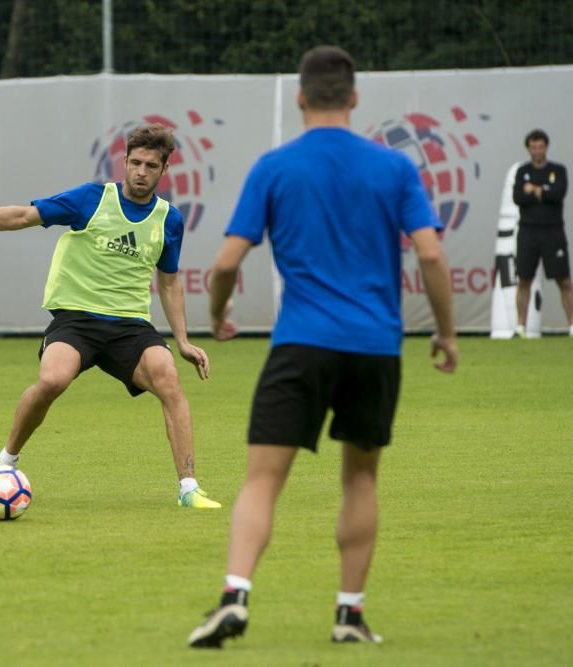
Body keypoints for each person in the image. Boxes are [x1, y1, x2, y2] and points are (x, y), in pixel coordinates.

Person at [187, 46, 458, 648]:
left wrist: (217, 314)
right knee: (360, 480)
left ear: (301, 97)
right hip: (374, 347)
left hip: (301, 344)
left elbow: (226, 262)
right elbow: (433, 254)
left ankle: (235, 595)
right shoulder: (394, 169)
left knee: (262, 480)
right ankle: (349, 614)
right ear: (355, 97)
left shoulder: (275, 166)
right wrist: (445, 331)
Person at [0, 124, 220, 508]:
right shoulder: (91, 198)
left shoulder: (168, 218)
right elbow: (24, 215)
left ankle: (189, 488)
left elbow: (169, 282)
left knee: (169, 380)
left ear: (164, 170)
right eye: (135, 162)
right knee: (53, 380)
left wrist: (183, 340)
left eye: (150, 165)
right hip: (77, 320)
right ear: (123, 162)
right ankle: (5, 460)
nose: (141, 171)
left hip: (130, 326)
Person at [512, 129, 573, 337]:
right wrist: (543, 192)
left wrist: (536, 190)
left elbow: (558, 194)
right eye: (533, 147)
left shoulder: (559, 170)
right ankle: (520, 327)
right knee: (524, 279)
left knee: (564, 280)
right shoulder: (522, 172)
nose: (537, 150)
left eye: (540, 146)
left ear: (546, 147)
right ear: (528, 148)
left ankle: (572, 325)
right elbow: (518, 197)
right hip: (528, 231)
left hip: (553, 232)